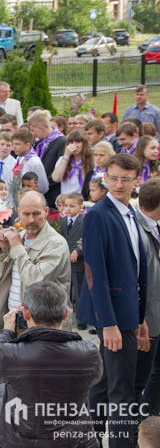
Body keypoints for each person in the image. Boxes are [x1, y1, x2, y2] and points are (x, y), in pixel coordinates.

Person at [78, 153, 149, 447]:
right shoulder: (97, 215)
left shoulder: (130, 212)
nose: (119, 184)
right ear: (105, 177)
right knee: (123, 391)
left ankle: (88, 440)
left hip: (129, 313)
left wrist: (140, 317)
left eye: (126, 179)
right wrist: (108, 323)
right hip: (112, 317)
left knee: (105, 384)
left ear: (137, 181)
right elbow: (95, 274)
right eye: (114, 178)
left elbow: (135, 268)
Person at [0, 281, 102, 448]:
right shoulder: (89, 352)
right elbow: (95, 378)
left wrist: (7, 332)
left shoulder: (11, 353)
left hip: (19, 442)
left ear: (25, 313)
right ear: (66, 313)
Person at [0, 191, 73, 337]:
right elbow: (2, 274)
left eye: (36, 213)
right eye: (26, 214)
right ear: (18, 213)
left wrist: (17, 248)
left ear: (46, 212)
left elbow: (34, 280)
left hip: (44, 324)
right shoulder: (21, 237)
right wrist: (5, 251)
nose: (31, 219)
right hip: (16, 320)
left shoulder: (56, 243)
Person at [134, 179, 160, 415]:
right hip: (146, 322)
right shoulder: (137, 232)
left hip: (156, 316)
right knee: (138, 381)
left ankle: (151, 418)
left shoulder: (153, 225)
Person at [59, 193, 86, 330]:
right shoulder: (64, 221)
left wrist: (78, 250)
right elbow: (62, 238)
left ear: (80, 207)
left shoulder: (84, 221)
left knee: (79, 289)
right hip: (66, 260)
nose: (68, 209)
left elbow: (85, 239)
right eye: (66, 206)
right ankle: (66, 315)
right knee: (66, 289)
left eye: (72, 206)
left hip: (78, 261)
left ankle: (81, 318)